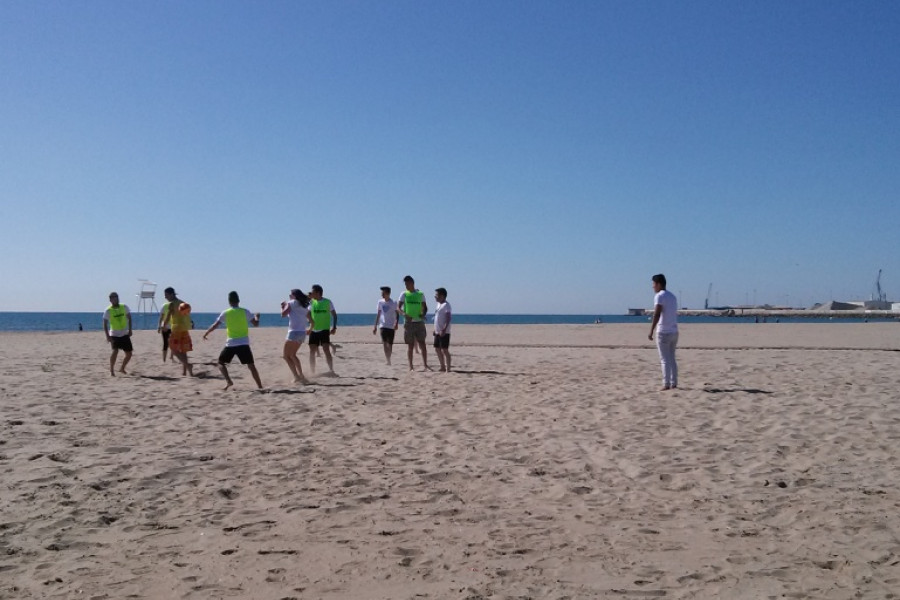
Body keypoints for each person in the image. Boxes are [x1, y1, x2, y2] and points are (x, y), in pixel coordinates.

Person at [203, 291, 263, 390]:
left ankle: (229, 381)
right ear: (238, 301)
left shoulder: (226, 312)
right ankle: (260, 386)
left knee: (220, 363)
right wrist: (257, 317)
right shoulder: (245, 311)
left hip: (231, 343)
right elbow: (256, 324)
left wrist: (207, 333)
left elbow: (215, 325)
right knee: (251, 365)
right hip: (243, 343)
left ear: (229, 301)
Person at [648, 273, 678, 390]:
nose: (652, 287)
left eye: (654, 284)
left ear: (659, 284)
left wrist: (651, 330)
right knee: (671, 358)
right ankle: (674, 382)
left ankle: (666, 383)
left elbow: (657, 313)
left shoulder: (659, 296)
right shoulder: (673, 296)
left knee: (664, 359)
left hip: (664, 331)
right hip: (674, 331)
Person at [398, 275, 430, 371]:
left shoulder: (420, 294)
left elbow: (425, 307)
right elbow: (398, 308)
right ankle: (411, 366)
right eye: (405, 284)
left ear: (412, 283)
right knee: (410, 345)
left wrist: (423, 313)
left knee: (422, 344)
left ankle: (425, 365)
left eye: (407, 283)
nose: (406, 285)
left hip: (419, 322)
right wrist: (404, 314)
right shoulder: (404, 294)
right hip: (409, 322)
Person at [161, 287, 194, 377]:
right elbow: (187, 316)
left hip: (176, 328)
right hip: (184, 328)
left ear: (172, 294)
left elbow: (167, 317)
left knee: (173, 349)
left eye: (166, 295)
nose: (165, 297)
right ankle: (186, 372)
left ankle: (188, 366)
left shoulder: (172, 304)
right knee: (183, 350)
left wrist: (163, 326)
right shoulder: (183, 303)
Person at [306, 284, 337, 375]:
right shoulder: (311, 302)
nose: (311, 293)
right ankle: (313, 372)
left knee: (326, 350)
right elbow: (307, 314)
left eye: (313, 292)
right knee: (312, 351)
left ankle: (331, 370)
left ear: (318, 293)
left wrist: (334, 327)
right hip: (313, 329)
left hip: (324, 329)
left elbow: (334, 315)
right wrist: (310, 325)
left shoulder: (328, 302)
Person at [281, 288, 310, 384]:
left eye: (291, 294)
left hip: (293, 332)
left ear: (294, 295)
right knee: (293, 355)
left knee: (286, 356)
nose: (289, 296)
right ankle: (301, 375)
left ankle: (296, 376)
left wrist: (283, 306)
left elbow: (283, 314)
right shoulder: (304, 305)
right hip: (302, 332)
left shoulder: (291, 303)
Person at [103, 291, 133, 376]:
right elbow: (105, 323)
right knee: (115, 351)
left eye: (116, 297)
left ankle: (122, 368)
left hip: (124, 333)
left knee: (129, 353)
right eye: (113, 297)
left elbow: (130, 318)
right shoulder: (108, 310)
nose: (116, 298)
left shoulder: (124, 307)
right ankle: (112, 370)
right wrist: (107, 336)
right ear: (110, 300)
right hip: (114, 334)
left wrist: (130, 330)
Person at [372, 286, 399, 365]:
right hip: (382, 325)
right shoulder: (380, 302)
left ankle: (389, 357)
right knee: (384, 343)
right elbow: (378, 314)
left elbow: (397, 314)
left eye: (383, 293)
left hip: (391, 326)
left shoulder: (393, 302)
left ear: (388, 293)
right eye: (382, 293)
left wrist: (396, 323)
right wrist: (375, 326)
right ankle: (387, 360)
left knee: (390, 344)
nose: (382, 295)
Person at [433, 287, 452, 372]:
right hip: (437, 331)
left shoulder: (446, 305)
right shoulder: (438, 305)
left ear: (442, 296)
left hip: (444, 332)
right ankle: (442, 366)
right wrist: (435, 329)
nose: (435, 296)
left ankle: (448, 368)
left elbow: (448, 318)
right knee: (437, 349)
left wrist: (444, 329)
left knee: (445, 349)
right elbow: (437, 318)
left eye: (437, 295)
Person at [157, 290, 173, 363]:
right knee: (166, 343)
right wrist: (159, 326)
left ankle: (170, 357)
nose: (165, 296)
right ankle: (164, 359)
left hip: (172, 326)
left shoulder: (174, 305)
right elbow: (161, 317)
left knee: (172, 342)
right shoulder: (165, 305)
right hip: (166, 326)